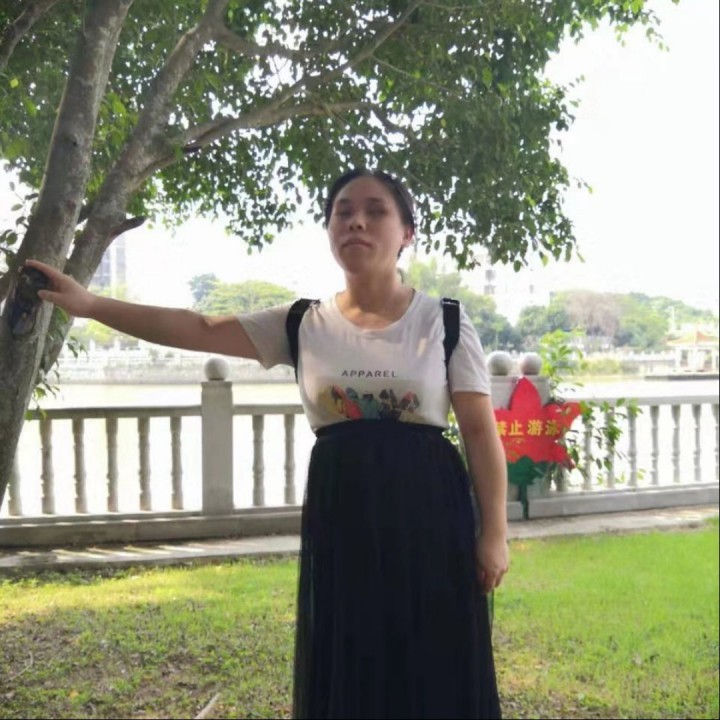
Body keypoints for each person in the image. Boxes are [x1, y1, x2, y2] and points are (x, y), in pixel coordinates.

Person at [27, 168, 509, 719]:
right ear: (329, 229)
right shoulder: (303, 323)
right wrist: (90, 305)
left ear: (407, 233)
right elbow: (200, 328)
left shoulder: (445, 322)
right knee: (351, 655)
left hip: (431, 515)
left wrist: (494, 534)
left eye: (376, 211)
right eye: (343, 211)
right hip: (344, 514)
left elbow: (479, 433)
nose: (356, 221)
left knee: (435, 658)